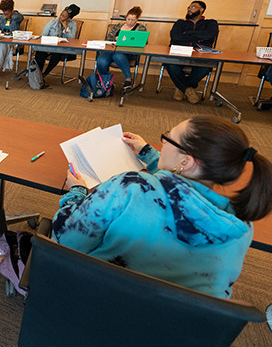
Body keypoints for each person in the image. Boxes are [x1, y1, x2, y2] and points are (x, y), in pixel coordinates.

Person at [53, 115, 272, 299]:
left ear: (185, 161)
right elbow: (180, 188)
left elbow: (65, 240)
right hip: (167, 326)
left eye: (168, 139)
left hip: (98, 299)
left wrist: (77, 192)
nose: (163, 143)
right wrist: (149, 153)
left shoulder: (132, 186)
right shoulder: (241, 228)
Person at [164, 0, 219, 104]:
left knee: (206, 67)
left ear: (201, 10)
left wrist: (187, 34)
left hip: (201, 54)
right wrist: (198, 38)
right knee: (170, 64)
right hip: (179, 53)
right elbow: (175, 37)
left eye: (193, 7)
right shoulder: (180, 23)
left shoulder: (211, 23)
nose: (189, 9)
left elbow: (208, 36)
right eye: (188, 8)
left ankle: (181, 88)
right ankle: (189, 90)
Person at [95, 6, 146, 90]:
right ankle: (106, 81)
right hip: (112, 49)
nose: (130, 22)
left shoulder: (140, 29)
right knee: (101, 60)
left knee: (117, 55)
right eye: (128, 19)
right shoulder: (118, 26)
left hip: (128, 52)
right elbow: (108, 39)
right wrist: (115, 39)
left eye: (132, 20)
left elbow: (143, 42)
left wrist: (127, 42)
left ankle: (128, 79)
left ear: (137, 19)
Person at [34, 4, 80, 76]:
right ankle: (37, 75)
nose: (60, 17)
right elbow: (43, 35)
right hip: (49, 46)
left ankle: (45, 73)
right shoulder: (53, 22)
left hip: (62, 49)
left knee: (56, 55)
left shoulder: (73, 25)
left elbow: (72, 39)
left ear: (69, 19)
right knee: (40, 53)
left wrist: (66, 28)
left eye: (63, 16)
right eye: (61, 14)